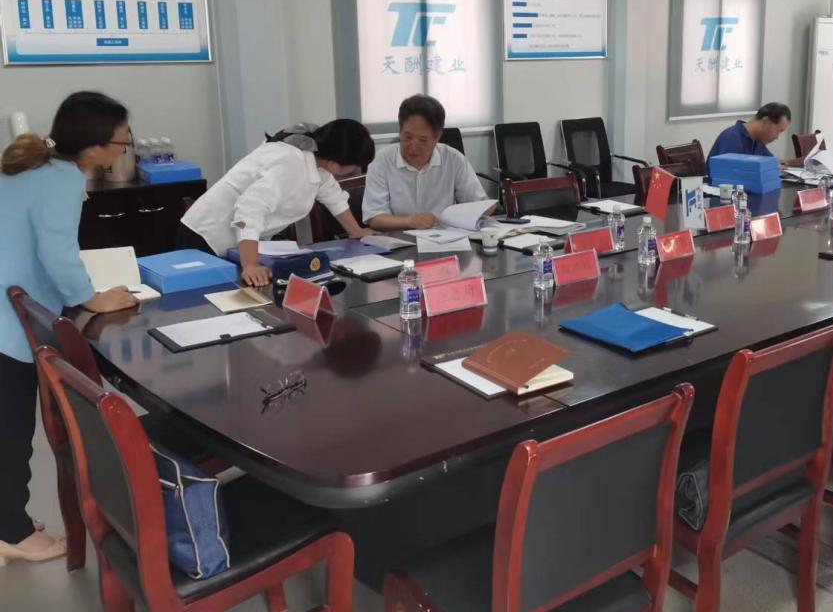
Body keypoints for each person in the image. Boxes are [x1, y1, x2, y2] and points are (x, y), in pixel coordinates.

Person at [0, 92, 140, 566]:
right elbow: (57, 253)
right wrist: (91, 298)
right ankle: (12, 533)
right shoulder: (60, 179)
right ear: (95, 145)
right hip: (6, 324)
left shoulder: (34, 165)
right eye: (122, 141)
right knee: (11, 430)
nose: (124, 148)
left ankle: (6, 523)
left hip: (7, 306)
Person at [178, 120, 375, 287]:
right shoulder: (291, 164)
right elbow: (248, 212)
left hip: (237, 243)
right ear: (336, 164)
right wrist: (250, 265)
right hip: (206, 238)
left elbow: (333, 195)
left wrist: (356, 231)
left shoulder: (314, 159)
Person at [362, 96, 491, 231]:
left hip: (446, 238)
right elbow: (374, 218)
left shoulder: (454, 159)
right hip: (399, 239)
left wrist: (484, 207)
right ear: (400, 131)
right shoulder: (383, 161)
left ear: (437, 137)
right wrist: (411, 221)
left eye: (423, 140)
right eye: (408, 137)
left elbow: (477, 202)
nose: (413, 146)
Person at [706, 102, 792, 164]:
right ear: (766, 122)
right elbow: (731, 174)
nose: (777, 137)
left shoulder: (758, 141)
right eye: (778, 131)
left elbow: (771, 162)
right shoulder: (732, 138)